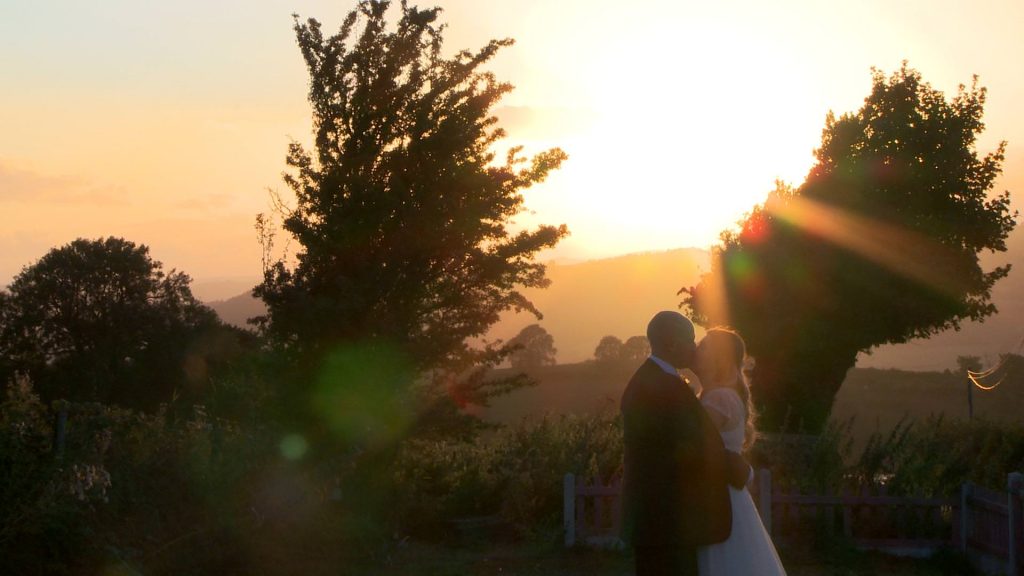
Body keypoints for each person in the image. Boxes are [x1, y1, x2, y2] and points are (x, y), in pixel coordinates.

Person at [620, 311, 752, 576]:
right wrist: (742, 470)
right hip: (666, 520)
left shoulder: (651, 380)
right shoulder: (665, 387)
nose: (694, 348)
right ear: (672, 345)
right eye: (691, 341)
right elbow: (696, 448)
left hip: (659, 519)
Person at [695, 327, 786, 576]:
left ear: (719, 358)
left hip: (718, 499)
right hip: (727, 495)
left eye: (704, 346)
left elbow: (692, 442)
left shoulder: (719, 400)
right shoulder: (721, 395)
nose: (696, 349)